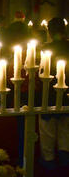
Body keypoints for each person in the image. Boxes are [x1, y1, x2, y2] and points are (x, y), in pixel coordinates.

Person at [38, 17, 69, 168]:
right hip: (67, 96)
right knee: (65, 132)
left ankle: (49, 161)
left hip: (48, 95)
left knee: (47, 133)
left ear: (49, 32)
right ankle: (64, 159)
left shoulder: (45, 50)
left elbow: (40, 73)